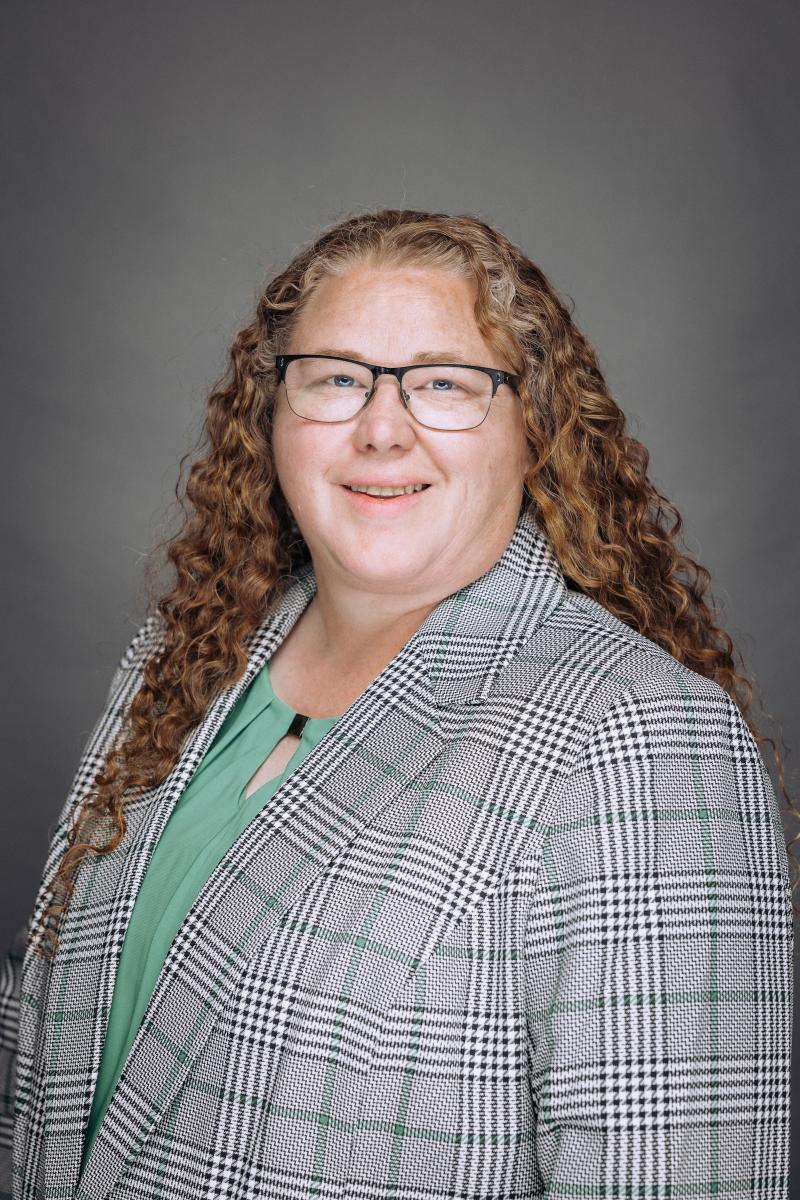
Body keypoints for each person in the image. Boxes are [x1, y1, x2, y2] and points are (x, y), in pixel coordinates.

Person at [0, 209, 793, 1199]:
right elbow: (52, 1062)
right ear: (272, 415)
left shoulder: (636, 739)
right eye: (336, 378)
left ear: (533, 433)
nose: (381, 428)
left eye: (445, 384)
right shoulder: (179, 666)